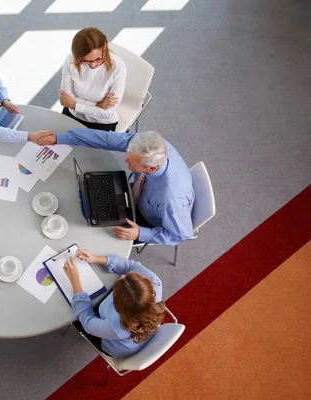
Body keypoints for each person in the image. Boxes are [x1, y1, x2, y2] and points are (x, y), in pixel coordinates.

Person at [39, 130, 194, 245]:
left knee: (86, 236)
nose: (125, 159)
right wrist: (61, 138)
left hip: (146, 220)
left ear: (151, 169)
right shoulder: (153, 146)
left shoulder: (170, 201)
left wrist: (141, 233)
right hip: (136, 195)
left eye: (131, 161)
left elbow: (181, 235)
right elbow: (107, 140)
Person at [63, 249, 164, 358]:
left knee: (72, 313)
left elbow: (87, 322)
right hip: (140, 332)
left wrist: (75, 282)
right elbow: (131, 266)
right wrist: (97, 258)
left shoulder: (116, 328)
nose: (122, 276)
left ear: (117, 305)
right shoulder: (154, 282)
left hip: (115, 345)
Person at [59, 27, 126, 131]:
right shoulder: (70, 61)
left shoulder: (118, 67)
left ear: (104, 47)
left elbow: (108, 113)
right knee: (55, 145)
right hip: (74, 115)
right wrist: (98, 105)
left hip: (102, 122)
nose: (93, 65)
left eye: (98, 59)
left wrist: (74, 104)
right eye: (85, 61)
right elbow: (65, 100)